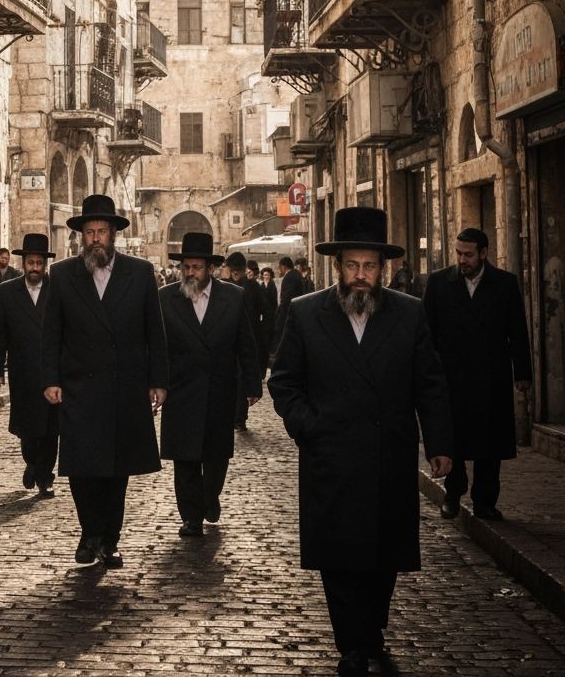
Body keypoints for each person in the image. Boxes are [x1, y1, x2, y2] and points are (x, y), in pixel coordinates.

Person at [269, 207, 453, 677]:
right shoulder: (305, 313)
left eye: (369, 266)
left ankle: (371, 627)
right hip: (329, 456)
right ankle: (350, 643)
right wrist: (309, 425)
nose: (361, 276)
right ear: (338, 267)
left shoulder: (409, 314)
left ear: (382, 269)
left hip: (386, 453)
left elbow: (428, 383)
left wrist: (439, 443)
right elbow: (284, 382)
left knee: (382, 553)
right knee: (339, 554)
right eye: (352, 266)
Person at [42, 194, 168, 569]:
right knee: (81, 467)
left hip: (124, 386)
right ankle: (89, 533)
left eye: (101, 231)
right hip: (79, 385)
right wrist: (50, 378)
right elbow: (52, 332)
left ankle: (110, 539)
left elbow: (154, 332)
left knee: (116, 470)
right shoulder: (63, 274)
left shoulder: (140, 272)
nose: (95, 238)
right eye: (89, 232)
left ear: (114, 234)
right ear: (81, 236)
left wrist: (158, 380)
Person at [423, 227, 532, 522]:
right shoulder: (438, 283)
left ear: (483, 253)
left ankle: (485, 501)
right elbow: (427, 334)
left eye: (468, 254)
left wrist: (522, 371)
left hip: (490, 377)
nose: (462, 259)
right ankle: (453, 494)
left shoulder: (504, 284)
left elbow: (517, 331)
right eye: (458, 253)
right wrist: (426, 374)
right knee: (453, 440)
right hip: (451, 378)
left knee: (489, 443)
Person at [159, 233, 260, 536]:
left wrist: (253, 384)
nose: (190, 273)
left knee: (216, 455)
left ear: (210, 269)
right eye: (186, 267)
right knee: (185, 457)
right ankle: (191, 516)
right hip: (181, 391)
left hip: (219, 389)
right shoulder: (166, 298)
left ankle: (210, 495)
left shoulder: (233, 297)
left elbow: (246, 343)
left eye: (196, 268)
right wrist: (154, 383)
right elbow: (156, 346)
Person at [0, 232, 59, 496]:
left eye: (39, 264)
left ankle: (45, 476)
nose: (35, 269)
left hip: (52, 371)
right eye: (31, 263)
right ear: (23, 263)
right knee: (28, 428)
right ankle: (32, 461)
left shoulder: (57, 289)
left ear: (45, 264)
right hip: (22, 370)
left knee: (51, 429)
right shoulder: (7, 291)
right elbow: (0, 331)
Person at [224, 250, 269, 432]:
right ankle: (231, 415)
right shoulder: (224, 286)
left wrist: (260, 333)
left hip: (248, 338)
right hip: (227, 340)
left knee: (243, 379)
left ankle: (240, 418)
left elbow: (265, 310)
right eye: (232, 270)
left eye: (238, 270)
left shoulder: (252, 287)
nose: (235, 273)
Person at [274, 255, 306, 356]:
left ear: (283, 267)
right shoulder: (295, 274)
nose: (279, 270)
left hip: (289, 314)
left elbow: (287, 299)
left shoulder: (290, 277)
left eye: (279, 268)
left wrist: (279, 315)